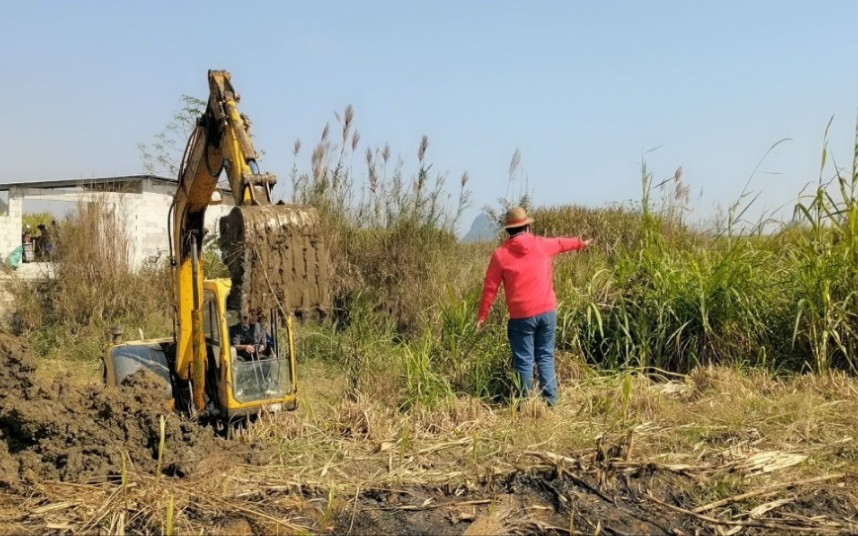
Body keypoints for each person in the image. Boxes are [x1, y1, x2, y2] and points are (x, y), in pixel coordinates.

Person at [477, 206, 592, 406]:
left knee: (524, 361)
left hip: (521, 318)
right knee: (545, 357)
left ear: (508, 230)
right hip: (547, 313)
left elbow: (490, 288)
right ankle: (550, 403)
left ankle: (525, 405)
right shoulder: (541, 245)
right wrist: (581, 243)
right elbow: (561, 243)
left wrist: (482, 316)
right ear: (527, 227)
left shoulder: (500, 255)